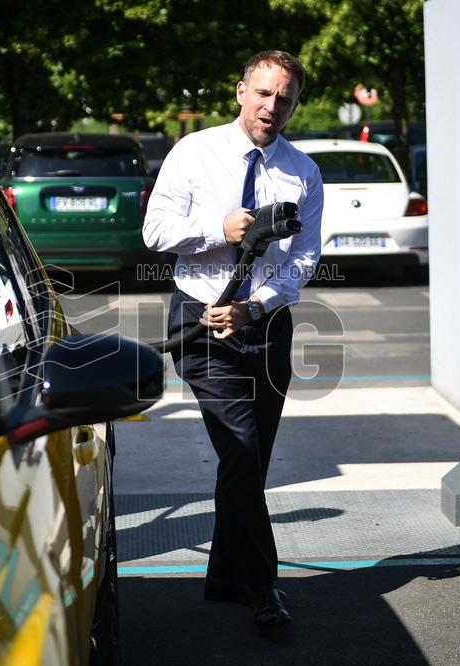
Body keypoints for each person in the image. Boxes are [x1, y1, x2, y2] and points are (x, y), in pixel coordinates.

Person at [142, 51, 322, 630]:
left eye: (285, 98)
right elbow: (154, 232)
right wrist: (216, 229)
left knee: (249, 461)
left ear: (295, 104)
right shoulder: (194, 151)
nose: (273, 107)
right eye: (264, 93)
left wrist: (258, 306)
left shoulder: (303, 172)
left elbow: (306, 257)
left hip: (264, 325)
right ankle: (264, 588)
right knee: (240, 449)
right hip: (199, 322)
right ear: (241, 90)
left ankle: (223, 576)